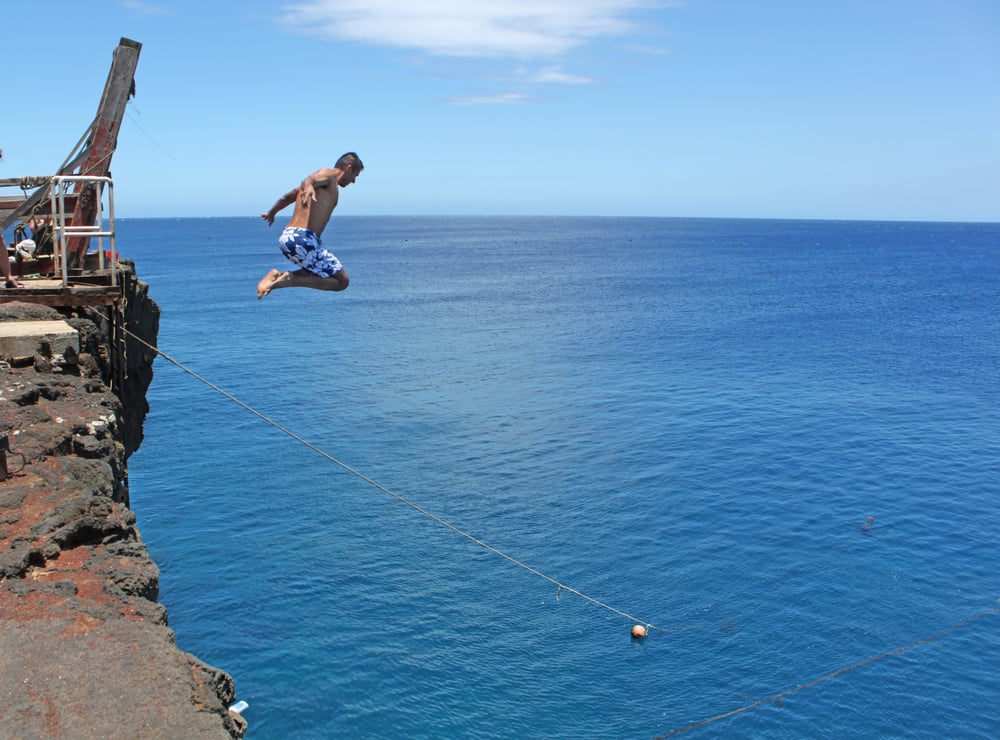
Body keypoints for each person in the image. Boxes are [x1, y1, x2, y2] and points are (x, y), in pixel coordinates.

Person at [257, 152, 364, 299]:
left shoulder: (323, 185)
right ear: (348, 168)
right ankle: (284, 281)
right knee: (342, 281)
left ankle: (278, 276)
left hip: (288, 238)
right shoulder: (330, 176)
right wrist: (308, 186)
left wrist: (272, 212)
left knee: (315, 272)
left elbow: (288, 196)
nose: (353, 181)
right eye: (355, 176)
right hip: (303, 239)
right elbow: (309, 180)